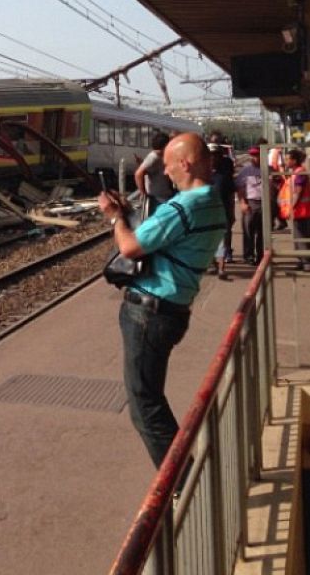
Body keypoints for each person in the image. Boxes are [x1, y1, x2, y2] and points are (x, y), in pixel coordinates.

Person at [98, 133, 226, 468]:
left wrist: (114, 217)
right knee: (149, 398)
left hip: (150, 315)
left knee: (145, 404)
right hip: (172, 310)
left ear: (185, 164)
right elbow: (160, 236)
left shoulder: (185, 206)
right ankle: (184, 481)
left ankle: (182, 487)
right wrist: (130, 216)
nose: (165, 174)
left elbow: (130, 248)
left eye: (168, 167)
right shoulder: (213, 201)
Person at [278, 148, 310, 272]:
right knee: (298, 237)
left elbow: (298, 192)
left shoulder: (300, 173)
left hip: (301, 211)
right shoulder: (295, 172)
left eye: (287, 159)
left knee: (301, 237)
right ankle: (302, 261)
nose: (285, 161)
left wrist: (291, 208)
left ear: (294, 160)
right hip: (298, 211)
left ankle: (306, 263)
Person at [208, 144, 235, 280]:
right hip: (206, 213)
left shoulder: (225, 175)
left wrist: (232, 211)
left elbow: (230, 193)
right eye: (211, 155)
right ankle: (213, 264)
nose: (214, 158)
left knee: (222, 239)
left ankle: (221, 268)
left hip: (222, 211)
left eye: (216, 155)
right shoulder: (202, 173)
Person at [236, 146, 264, 265]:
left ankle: (261, 256)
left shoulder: (268, 169)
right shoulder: (245, 171)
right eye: (253, 155)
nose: (255, 158)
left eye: (257, 155)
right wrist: (243, 203)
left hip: (264, 203)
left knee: (262, 232)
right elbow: (240, 188)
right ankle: (249, 256)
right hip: (250, 203)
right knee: (248, 231)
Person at [134, 131, 173, 216]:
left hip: (163, 197)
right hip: (158, 199)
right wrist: (143, 192)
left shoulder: (159, 157)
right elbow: (138, 174)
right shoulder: (153, 157)